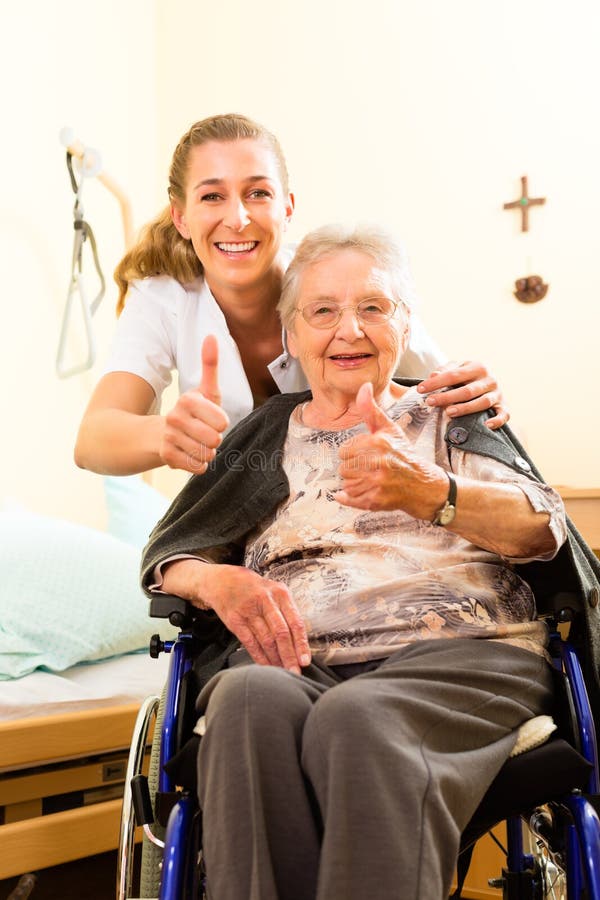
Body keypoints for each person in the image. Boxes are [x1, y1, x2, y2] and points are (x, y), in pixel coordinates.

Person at [141, 224, 567, 900]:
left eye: (374, 307)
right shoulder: (263, 433)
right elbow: (171, 552)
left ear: (404, 324)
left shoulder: (452, 409)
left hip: (460, 658)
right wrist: (214, 578)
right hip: (295, 657)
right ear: (292, 334)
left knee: (357, 718)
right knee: (246, 698)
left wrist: (434, 496)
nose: (351, 330)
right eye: (323, 310)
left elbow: (544, 530)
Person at [74, 113, 508, 478]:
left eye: (258, 193)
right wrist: (166, 434)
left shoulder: (337, 275)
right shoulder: (162, 297)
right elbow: (93, 441)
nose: (238, 218)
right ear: (181, 217)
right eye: (212, 196)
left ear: (288, 206)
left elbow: (441, 383)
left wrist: (473, 393)